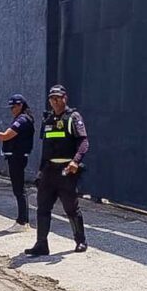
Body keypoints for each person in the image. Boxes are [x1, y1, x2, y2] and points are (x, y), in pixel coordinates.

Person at [25, 85, 89, 256]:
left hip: (67, 171)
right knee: (42, 208)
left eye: (58, 97)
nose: (55, 100)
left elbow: (84, 143)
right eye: (52, 98)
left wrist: (75, 162)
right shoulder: (48, 120)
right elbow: (45, 149)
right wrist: (40, 172)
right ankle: (41, 244)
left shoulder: (73, 118)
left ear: (65, 98)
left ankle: (81, 241)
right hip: (49, 171)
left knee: (71, 208)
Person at [0, 94, 35, 232]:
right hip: (16, 156)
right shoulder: (21, 118)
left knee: (19, 189)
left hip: (18, 157)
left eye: (13, 107)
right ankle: (23, 221)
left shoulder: (22, 120)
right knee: (18, 189)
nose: (12, 110)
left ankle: (22, 222)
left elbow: (5, 136)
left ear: (20, 105)